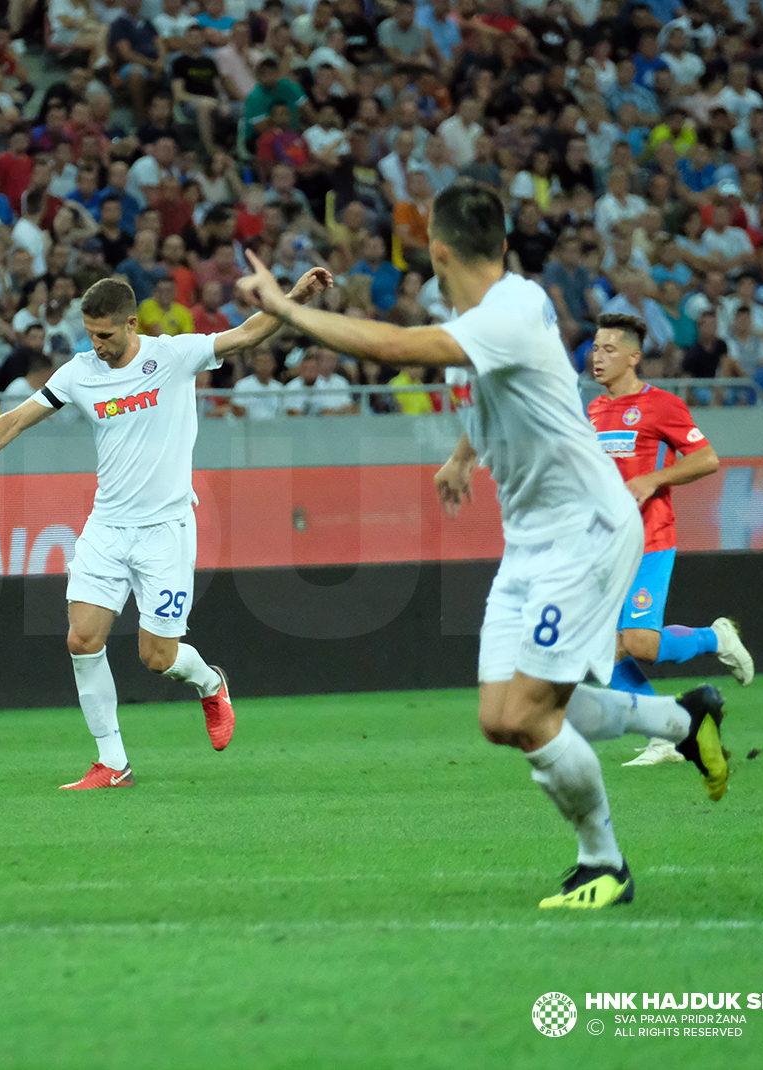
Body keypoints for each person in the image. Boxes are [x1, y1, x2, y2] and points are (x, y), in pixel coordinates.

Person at [232, 181, 732, 908]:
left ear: (436, 251)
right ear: (498, 242)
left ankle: (605, 865)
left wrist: (284, 310)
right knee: (502, 717)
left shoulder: (512, 308)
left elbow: (401, 345)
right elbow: (498, 395)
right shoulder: (487, 319)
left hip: (587, 532)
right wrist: (464, 457)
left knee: (531, 715)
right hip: (530, 542)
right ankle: (685, 720)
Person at [0, 269, 334, 789]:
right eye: (90, 334)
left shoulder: (173, 356)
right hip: (108, 527)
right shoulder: (79, 372)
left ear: (131, 324)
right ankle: (113, 763)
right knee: (81, 639)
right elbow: (17, 418)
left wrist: (292, 298)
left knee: (156, 658)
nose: (96, 345)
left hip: (165, 530)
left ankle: (211, 683)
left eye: (105, 335)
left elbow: (248, 333)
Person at [587, 313, 755, 765]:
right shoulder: (594, 410)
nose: (597, 357)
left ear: (633, 357)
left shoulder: (660, 404)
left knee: (640, 644)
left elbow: (706, 459)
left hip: (651, 538)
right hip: (607, 546)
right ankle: (662, 735)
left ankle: (715, 638)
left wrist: (652, 479)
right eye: (595, 348)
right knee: (606, 647)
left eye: (608, 349)